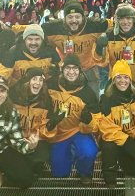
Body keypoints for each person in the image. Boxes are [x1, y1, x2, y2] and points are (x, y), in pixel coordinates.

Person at [46, 54, 101, 185]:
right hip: (58, 133)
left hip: (78, 131)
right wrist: (51, 121)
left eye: (75, 68)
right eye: (68, 68)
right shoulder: (51, 85)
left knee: (89, 152)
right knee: (60, 173)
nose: (71, 72)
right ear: (62, 70)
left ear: (80, 70)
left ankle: (84, 172)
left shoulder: (87, 92)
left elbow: (98, 121)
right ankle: (66, 156)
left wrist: (88, 121)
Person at [42, 0, 109, 97]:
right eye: (70, 17)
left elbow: (115, 25)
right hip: (67, 70)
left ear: (83, 17)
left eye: (77, 17)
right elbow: (33, 31)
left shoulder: (94, 26)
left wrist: (103, 40)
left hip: (89, 69)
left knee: (94, 100)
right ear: (64, 18)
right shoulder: (54, 28)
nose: (74, 20)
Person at [99, 60, 135, 188]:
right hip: (114, 139)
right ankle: (110, 179)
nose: (123, 81)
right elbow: (106, 127)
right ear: (113, 80)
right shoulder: (106, 99)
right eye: (119, 77)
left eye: (126, 77)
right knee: (108, 146)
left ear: (130, 80)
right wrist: (126, 141)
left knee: (132, 170)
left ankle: (128, 162)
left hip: (132, 138)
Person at [9, 67, 64, 181]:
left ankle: (34, 166)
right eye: (34, 79)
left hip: (36, 139)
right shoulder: (13, 96)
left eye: (40, 80)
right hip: (15, 140)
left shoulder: (45, 99)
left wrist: (52, 122)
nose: (37, 83)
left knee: (42, 154)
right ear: (27, 81)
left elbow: (45, 127)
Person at [0, 24, 61, 90]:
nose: (33, 43)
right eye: (30, 39)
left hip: (41, 95)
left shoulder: (50, 52)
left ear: (42, 40)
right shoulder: (14, 52)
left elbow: (62, 72)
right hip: (18, 94)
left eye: (37, 39)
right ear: (24, 39)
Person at [95, 3, 135, 87]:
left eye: (128, 18)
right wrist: (99, 47)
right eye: (122, 19)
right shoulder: (110, 37)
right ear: (117, 20)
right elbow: (102, 61)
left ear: (134, 19)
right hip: (116, 86)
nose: (125, 22)